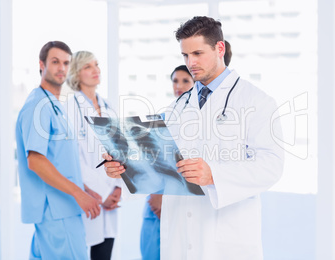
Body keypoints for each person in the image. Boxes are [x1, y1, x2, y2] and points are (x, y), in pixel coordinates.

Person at [104, 16, 284, 259]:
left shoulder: (256, 101)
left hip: (226, 240)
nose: (191, 62)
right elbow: (156, 162)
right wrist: (123, 167)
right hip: (179, 237)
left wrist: (214, 174)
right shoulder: (176, 107)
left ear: (220, 48)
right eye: (185, 55)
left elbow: (271, 166)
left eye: (198, 53)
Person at [15, 41, 102, 259]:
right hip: (57, 211)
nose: (61, 67)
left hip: (59, 210)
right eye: (55, 62)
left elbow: (59, 161)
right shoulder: (38, 105)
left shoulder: (54, 105)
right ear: (41, 65)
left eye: (65, 63)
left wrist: (84, 188)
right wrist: (78, 194)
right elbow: (35, 160)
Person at [65, 51, 122, 260]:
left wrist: (117, 188)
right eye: (88, 67)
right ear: (77, 74)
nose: (95, 70)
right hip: (90, 195)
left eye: (96, 65)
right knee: (88, 248)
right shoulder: (70, 108)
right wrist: (99, 192)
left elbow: (120, 151)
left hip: (112, 195)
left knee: (105, 251)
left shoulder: (109, 108)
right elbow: (73, 158)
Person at [140, 65, 195, 260]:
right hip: (155, 200)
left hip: (182, 200)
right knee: (151, 251)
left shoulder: (198, 120)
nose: (178, 85)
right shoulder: (163, 118)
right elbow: (152, 161)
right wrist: (156, 195)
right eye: (175, 81)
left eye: (185, 81)